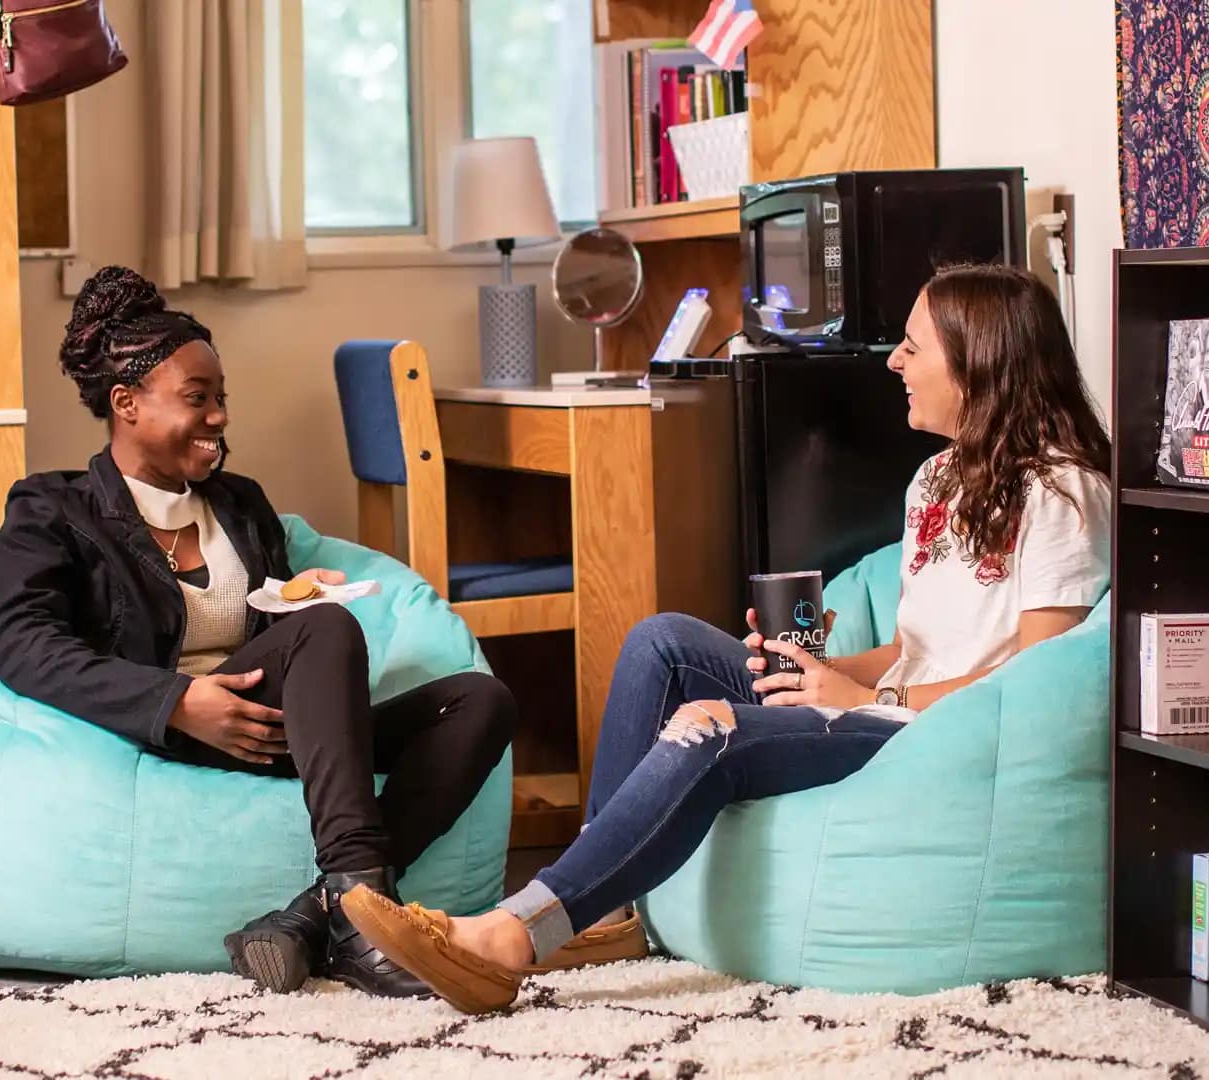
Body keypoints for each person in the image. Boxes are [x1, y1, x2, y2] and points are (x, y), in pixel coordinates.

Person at [337, 262, 1115, 1014]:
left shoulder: (1062, 495)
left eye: (914, 346)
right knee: (664, 644)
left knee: (713, 727)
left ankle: (512, 937)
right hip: (886, 702)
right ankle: (604, 904)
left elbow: (1035, 682)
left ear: (979, 362)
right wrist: (816, 668)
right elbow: (918, 643)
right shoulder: (938, 479)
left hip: (933, 735)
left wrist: (864, 693)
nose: (894, 362)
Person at [0, 266, 517, 999]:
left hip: (275, 725)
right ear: (126, 403)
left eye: (221, 399)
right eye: (197, 398)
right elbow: (22, 643)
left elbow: (282, 637)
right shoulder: (52, 508)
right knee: (324, 630)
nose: (219, 418)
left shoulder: (239, 503)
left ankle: (317, 916)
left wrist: (298, 597)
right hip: (179, 728)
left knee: (481, 701)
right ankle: (364, 920)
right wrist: (177, 701)